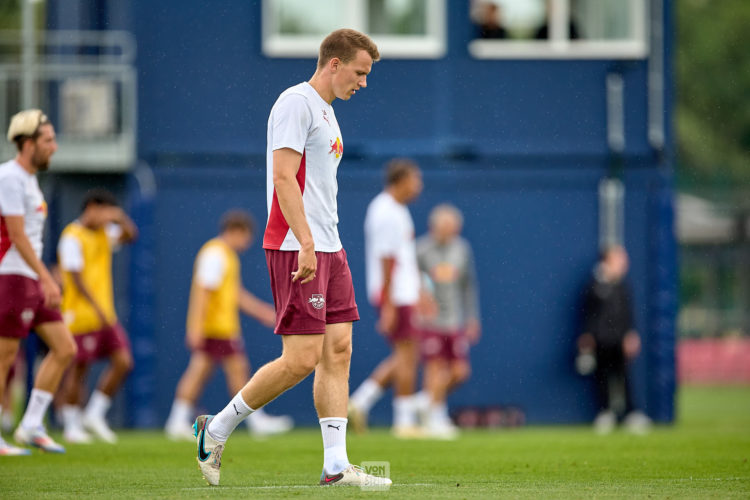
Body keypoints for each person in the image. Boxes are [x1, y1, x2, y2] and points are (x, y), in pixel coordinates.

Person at [193, 29, 390, 488]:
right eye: (360, 73)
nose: (363, 83)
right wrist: (304, 241)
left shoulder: (328, 113)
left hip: (330, 246)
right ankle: (214, 428)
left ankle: (336, 466)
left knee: (338, 351)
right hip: (295, 246)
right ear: (334, 64)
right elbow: (284, 178)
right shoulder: (295, 103)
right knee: (301, 359)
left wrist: (324, 243)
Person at [164, 210, 292, 441]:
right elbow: (203, 293)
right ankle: (255, 420)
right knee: (227, 370)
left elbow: (235, 295)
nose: (248, 242)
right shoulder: (216, 254)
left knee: (207, 371)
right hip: (216, 328)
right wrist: (196, 328)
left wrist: (264, 313)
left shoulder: (226, 255)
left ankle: (177, 420)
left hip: (220, 327)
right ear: (236, 231)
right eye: (246, 236)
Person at [0, 109, 77, 455]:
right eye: (48, 140)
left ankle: (30, 425)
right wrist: (48, 277)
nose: (54, 147)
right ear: (27, 143)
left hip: (29, 277)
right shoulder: (10, 177)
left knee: (65, 348)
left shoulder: (29, 179)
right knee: (5, 357)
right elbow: (16, 235)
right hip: (12, 276)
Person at [349, 159, 424, 438]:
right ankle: (404, 422)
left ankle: (360, 402)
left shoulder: (398, 211)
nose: (419, 186)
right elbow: (387, 259)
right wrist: (389, 303)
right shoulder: (385, 211)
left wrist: (421, 291)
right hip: (396, 295)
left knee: (406, 354)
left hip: (403, 292)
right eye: (415, 180)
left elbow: (404, 257)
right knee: (407, 355)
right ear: (401, 180)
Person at [56, 189, 137, 444]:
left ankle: (94, 413)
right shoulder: (72, 236)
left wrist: (120, 216)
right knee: (79, 369)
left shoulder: (103, 234)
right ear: (91, 207)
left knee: (123, 362)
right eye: (104, 212)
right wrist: (98, 308)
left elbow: (130, 235)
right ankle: (71, 424)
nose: (106, 220)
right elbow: (76, 278)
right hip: (79, 314)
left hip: (104, 314)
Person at [415, 204, 481, 439]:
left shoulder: (462, 249)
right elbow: (412, 280)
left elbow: (468, 285)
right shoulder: (421, 250)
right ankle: (435, 417)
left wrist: (472, 318)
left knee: (460, 372)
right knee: (434, 367)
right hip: (429, 320)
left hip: (455, 320)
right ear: (434, 227)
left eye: (454, 228)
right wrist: (422, 299)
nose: (450, 232)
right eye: (446, 228)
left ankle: (425, 402)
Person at [577, 245, 652, 435]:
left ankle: (630, 414)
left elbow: (628, 312)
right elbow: (589, 312)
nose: (623, 263)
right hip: (601, 339)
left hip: (619, 338)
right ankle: (605, 413)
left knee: (623, 376)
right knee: (602, 377)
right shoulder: (596, 283)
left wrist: (630, 334)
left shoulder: (622, 285)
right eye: (619, 258)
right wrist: (587, 336)